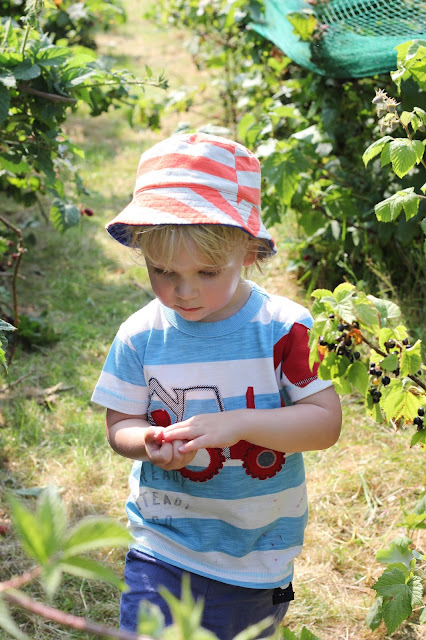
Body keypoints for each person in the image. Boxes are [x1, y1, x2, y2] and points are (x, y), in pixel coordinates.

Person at [91, 132, 342, 640]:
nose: (183, 291)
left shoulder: (283, 328)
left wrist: (238, 424)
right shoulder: (141, 334)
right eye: (161, 271)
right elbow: (120, 423)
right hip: (163, 539)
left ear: (248, 251)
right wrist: (148, 442)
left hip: (259, 548)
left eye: (207, 271)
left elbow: (324, 424)